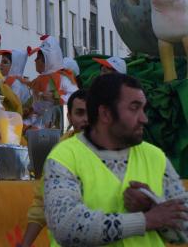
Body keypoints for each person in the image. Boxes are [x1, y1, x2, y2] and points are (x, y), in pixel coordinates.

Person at [43, 74, 188, 245]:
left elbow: (184, 229)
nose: (144, 118)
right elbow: (66, 226)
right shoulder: (64, 157)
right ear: (105, 113)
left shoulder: (155, 156)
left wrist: (151, 206)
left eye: (143, 108)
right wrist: (145, 220)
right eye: (134, 108)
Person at [20, 89, 88, 247]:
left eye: (91, 112)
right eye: (80, 113)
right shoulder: (60, 152)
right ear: (69, 118)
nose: (86, 119)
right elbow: (42, 201)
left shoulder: (113, 149)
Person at [29, 35, 78, 106]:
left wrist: (55, 96)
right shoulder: (38, 80)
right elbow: (34, 103)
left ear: (47, 58)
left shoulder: (63, 78)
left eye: (38, 57)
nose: (35, 60)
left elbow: (75, 96)